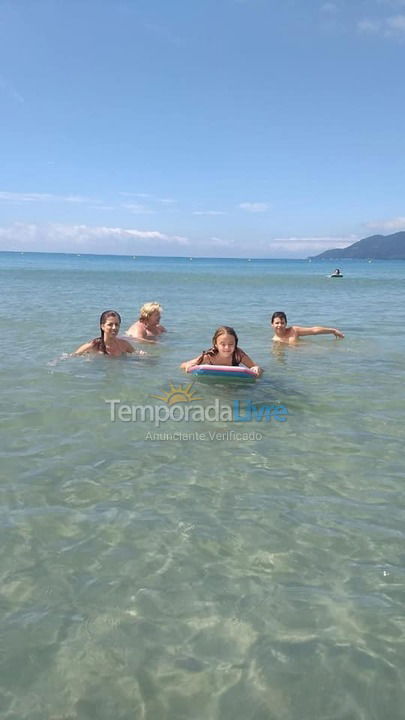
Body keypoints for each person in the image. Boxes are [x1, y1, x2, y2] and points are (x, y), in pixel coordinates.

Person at [181, 326, 263, 375]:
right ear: (215, 344)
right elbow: (183, 365)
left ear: (235, 344)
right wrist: (188, 366)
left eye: (231, 344)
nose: (227, 347)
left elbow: (256, 367)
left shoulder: (238, 355)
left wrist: (256, 369)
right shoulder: (209, 356)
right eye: (223, 344)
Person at [73, 310, 138, 356]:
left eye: (117, 324)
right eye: (110, 324)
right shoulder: (93, 345)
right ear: (102, 326)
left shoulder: (124, 345)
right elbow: (72, 357)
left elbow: (138, 355)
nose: (114, 327)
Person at [271, 311, 344, 344]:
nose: (279, 325)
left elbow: (314, 330)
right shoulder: (275, 340)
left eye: (282, 323)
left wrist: (333, 331)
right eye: (277, 323)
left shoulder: (293, 331)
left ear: (286, 324)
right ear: (272, 324)